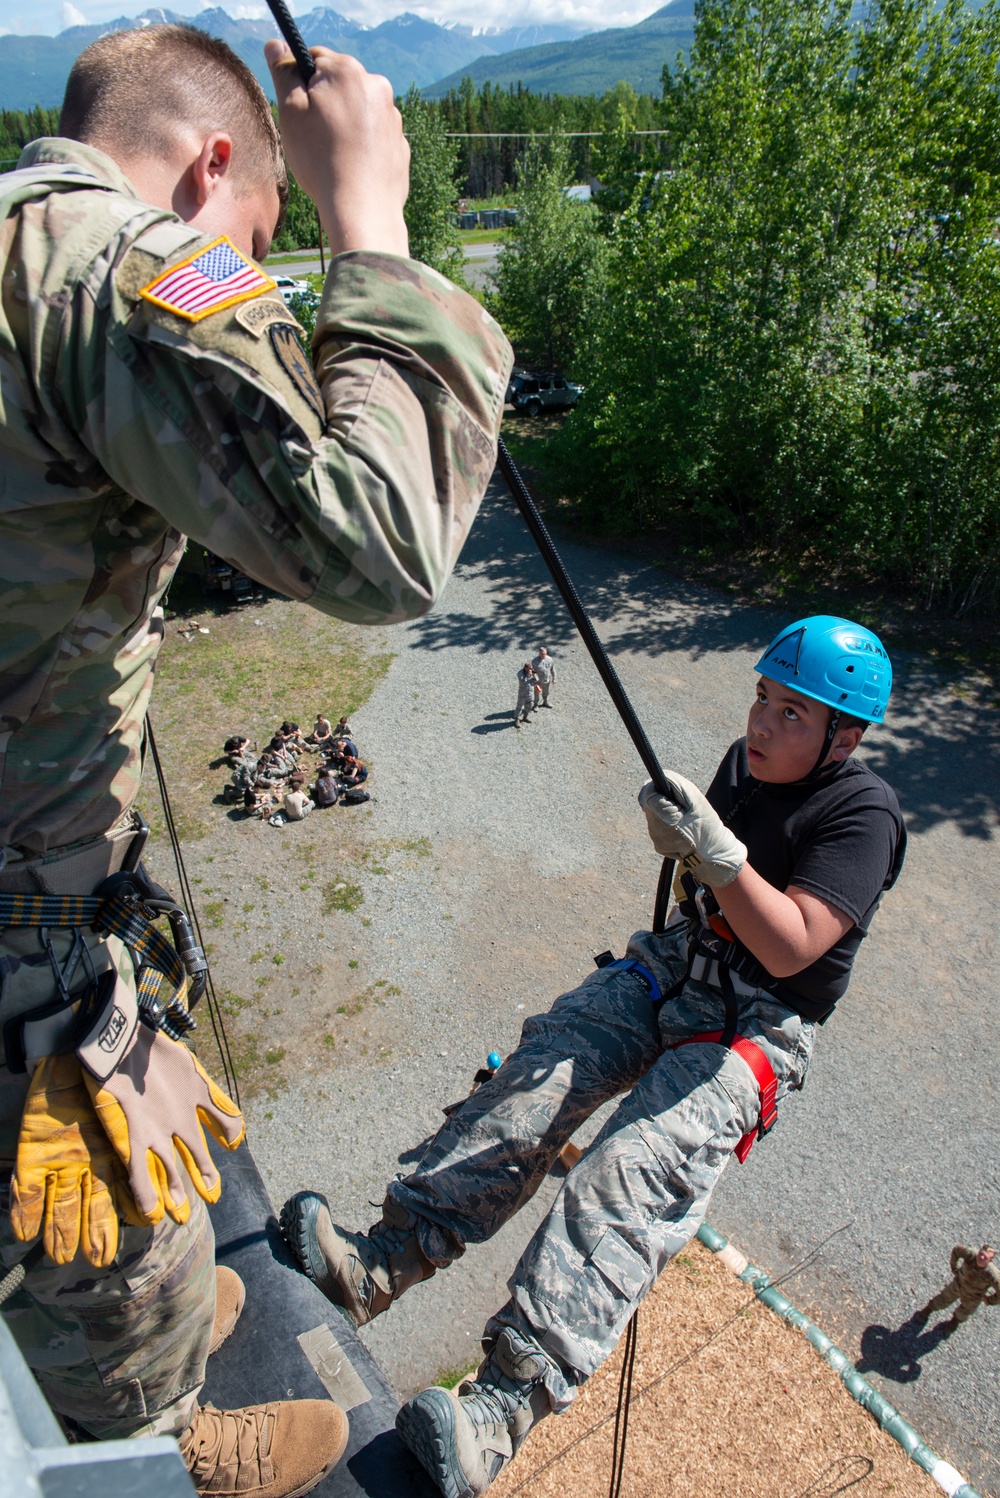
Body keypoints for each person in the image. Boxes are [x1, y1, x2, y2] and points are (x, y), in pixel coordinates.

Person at [0, 20, 511, 1498]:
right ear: (211, 162)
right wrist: (375, 221)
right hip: (17, 909)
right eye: (257, 229)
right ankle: (154, 1435)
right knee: (102, 1212)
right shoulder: (125, 267)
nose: (251, 270)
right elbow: (378, 540)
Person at [281, 615, 907, 1498]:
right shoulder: (743, 763)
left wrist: (719, 859)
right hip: (684, 963)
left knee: (629, 1171)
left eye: (793, 714)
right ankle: (383, 1261)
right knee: (539, 1072)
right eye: (762, 698)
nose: (762, 725)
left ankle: (500, 1411)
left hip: (754, 1023)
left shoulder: (862, 811)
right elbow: (711, 880)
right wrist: (693, 853)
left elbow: (798, 944)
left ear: (845, 738)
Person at [916, 1245, 999, 1334]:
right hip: (958, 1284)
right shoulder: (970, 1255)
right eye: (981, 1254)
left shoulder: (992, 1275)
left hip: (973, 1296)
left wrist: (989, 1300)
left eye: (985, 1257)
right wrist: (954, 1268)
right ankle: (927, 1310)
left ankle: (954, 1322)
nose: (981, 1257)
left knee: (965, 1311)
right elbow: (956, 1250)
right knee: (943, 1298)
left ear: (990, 1260)